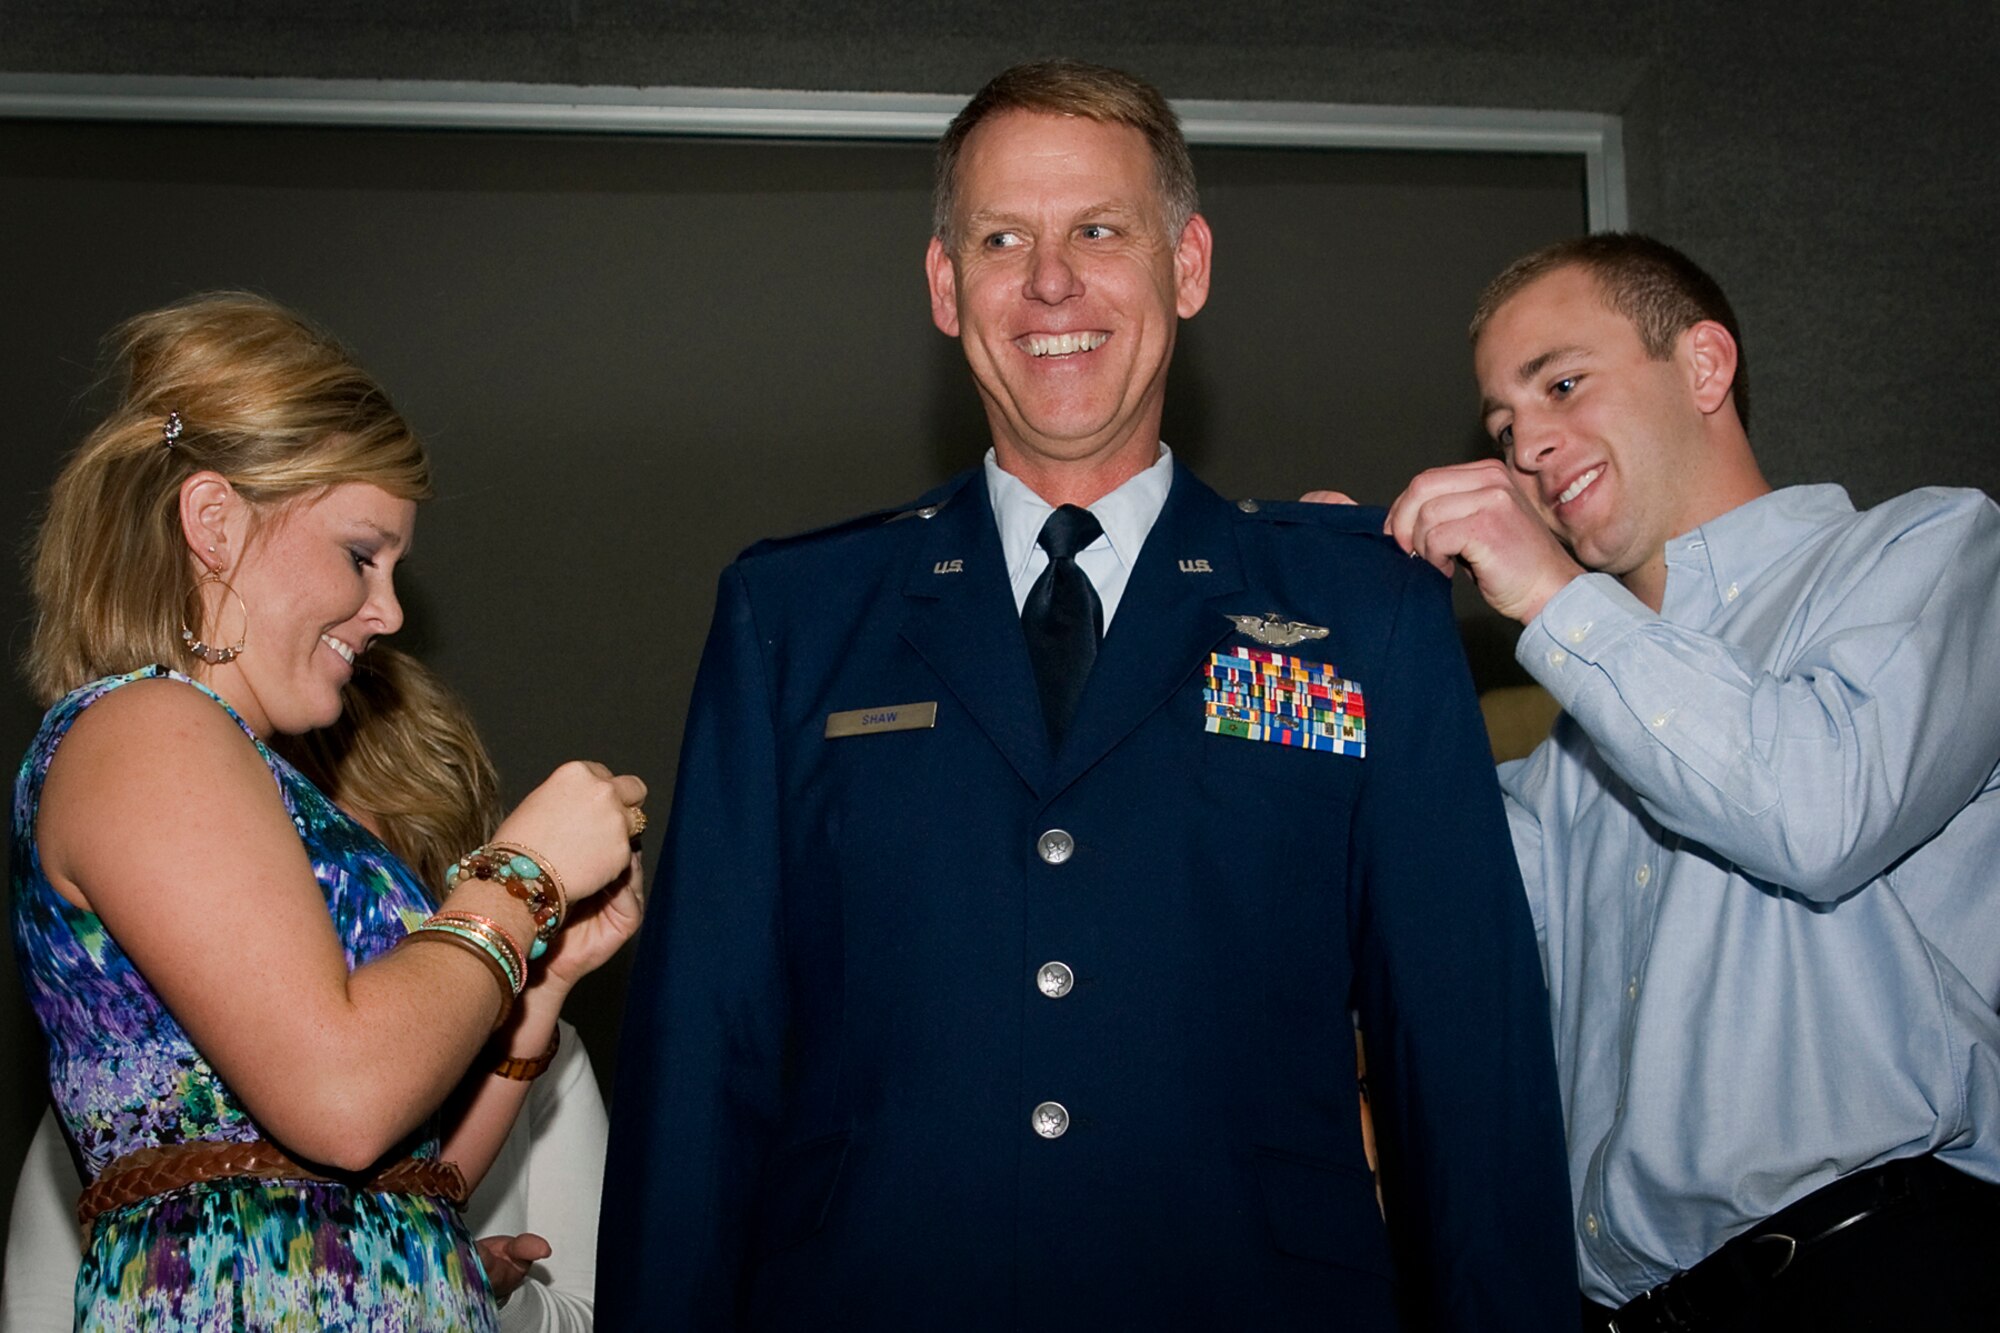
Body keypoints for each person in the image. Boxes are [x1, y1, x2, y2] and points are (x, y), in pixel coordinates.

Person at [600, 59, 1574, 1329]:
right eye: (1002, 238)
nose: (1049, 281)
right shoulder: (796, 617)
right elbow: (701, 1064)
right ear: (947, 287)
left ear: (1188, 265)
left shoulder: (1359, 614)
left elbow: (1465, 1056)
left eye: (1098, 231)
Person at [1384, 232, 2000, 1330]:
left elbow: (1818, 809)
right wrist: (1328, 659)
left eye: (1561, 383)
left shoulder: (1929, 550)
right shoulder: (1570, 760)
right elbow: (1423, 926)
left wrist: (1548, 592)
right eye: (1502, 428)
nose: (1527, 446)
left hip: (1882, 1270)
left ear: (1704, 366)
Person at [10, 293, 646, 1331]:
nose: (390, 611)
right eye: (362, 553)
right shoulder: (145, 729)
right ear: (214, 521)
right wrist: (518, 875)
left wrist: (546, 976)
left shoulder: (252, 774)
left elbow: (410, 1180)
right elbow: (345, 1103)